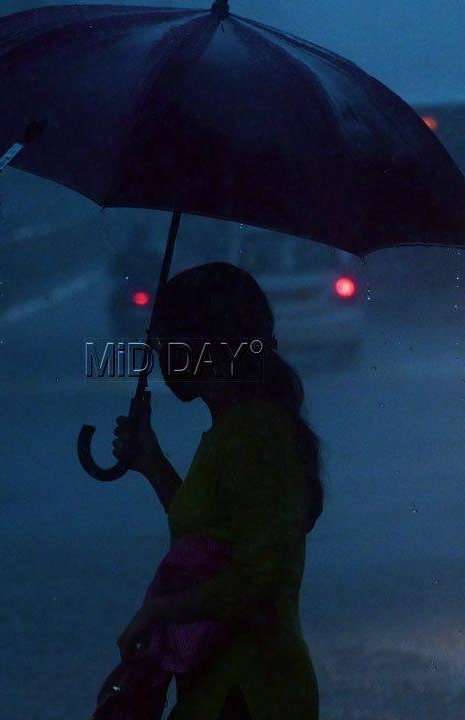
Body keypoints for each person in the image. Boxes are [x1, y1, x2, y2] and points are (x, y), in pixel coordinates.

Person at [110, 263, 320, 720]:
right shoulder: (232, 427)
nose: (159, 354)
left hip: (252, 691)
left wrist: (159, 612)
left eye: (166, 340)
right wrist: (151, 463)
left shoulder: (253, 433)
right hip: (218, 687)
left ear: (206, 347)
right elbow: (211, 536)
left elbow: (256, 576)